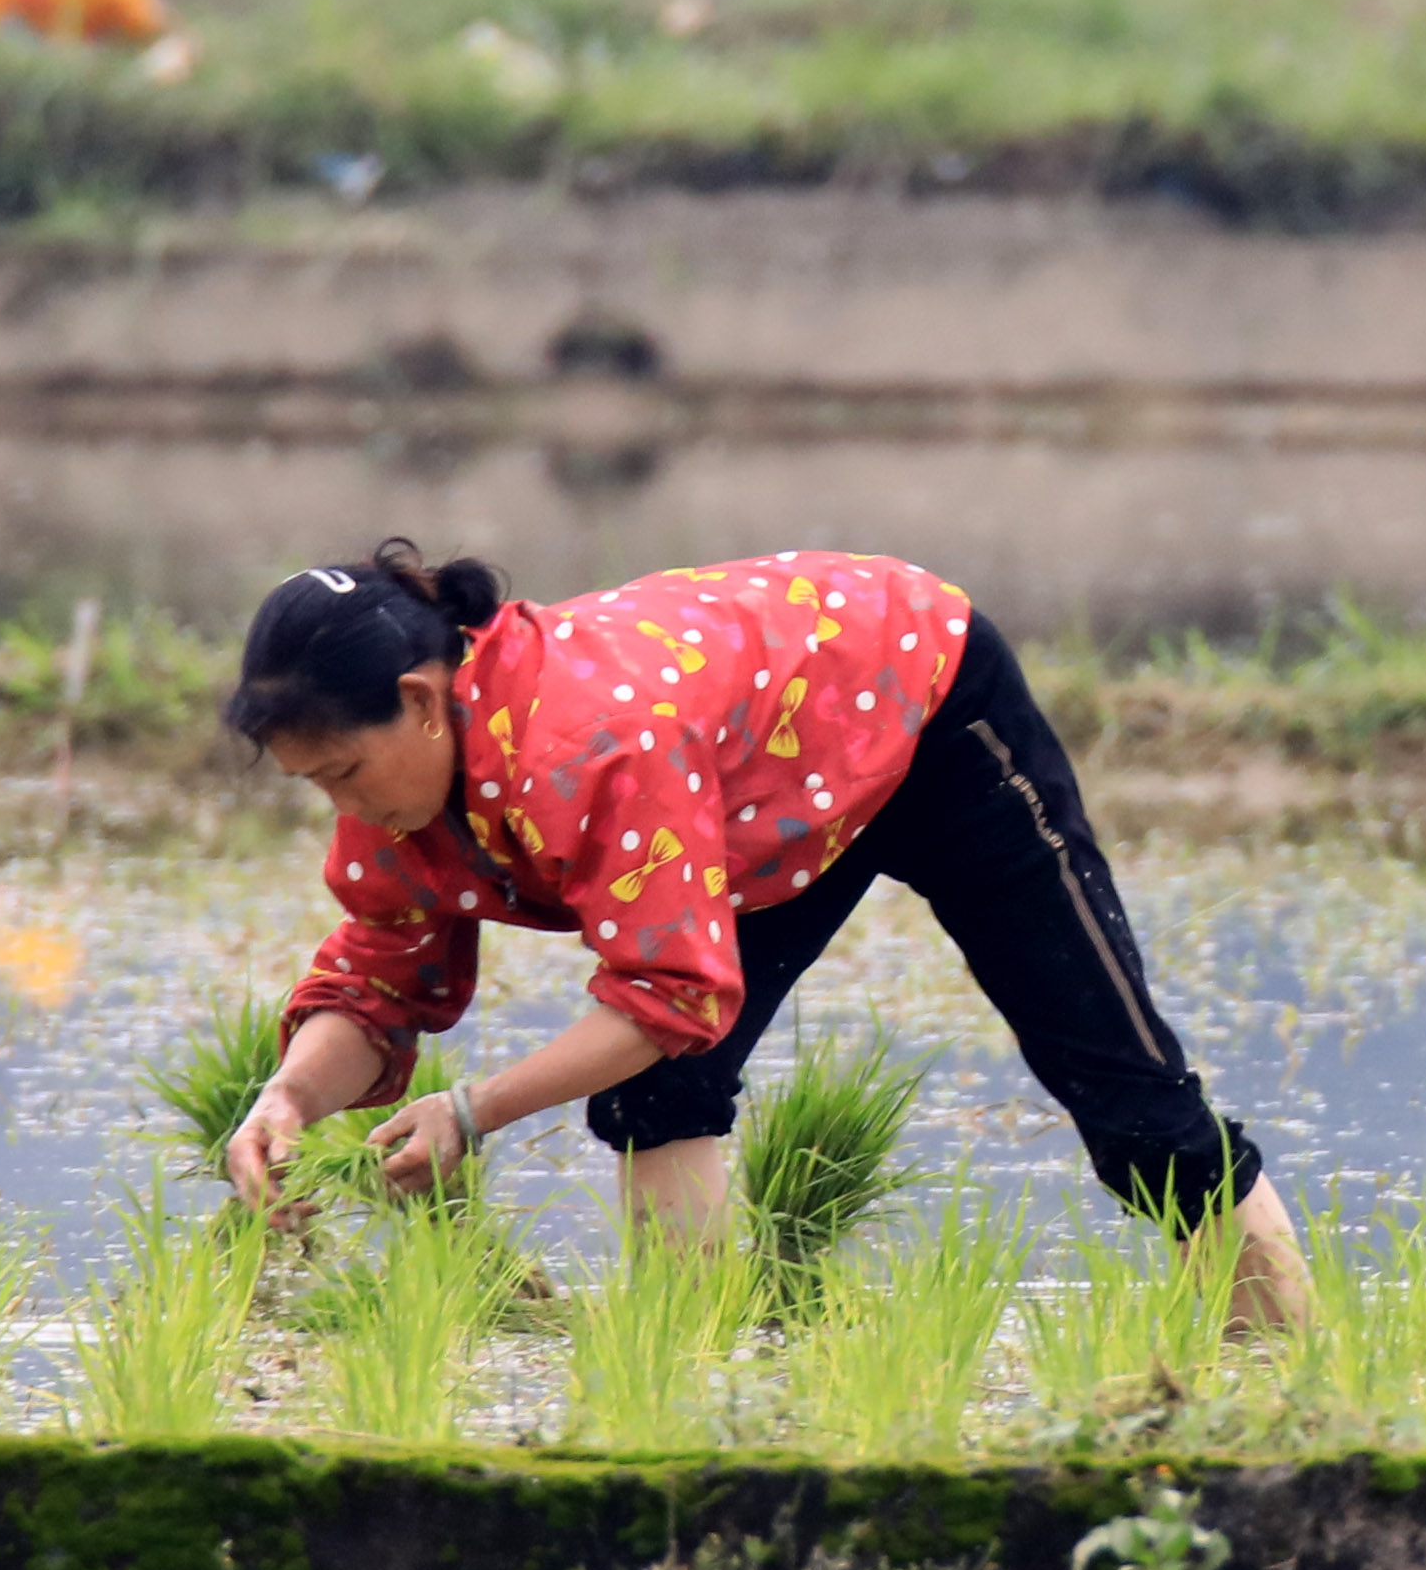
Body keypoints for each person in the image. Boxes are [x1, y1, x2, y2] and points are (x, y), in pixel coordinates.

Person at [218, 540, 1310, 1330]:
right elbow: (376, 979)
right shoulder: (398, 807)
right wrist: (293, 1097)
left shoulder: (592, 746)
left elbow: (666, 990)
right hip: (754, 790)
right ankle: (689, 1378)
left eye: (346, 773)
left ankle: (1285, 1376)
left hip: (918, 697)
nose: (343, 809)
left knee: (1128, 1093)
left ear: (420, 700)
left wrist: (471, 1110)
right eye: (315, 787)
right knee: (657, 1092)